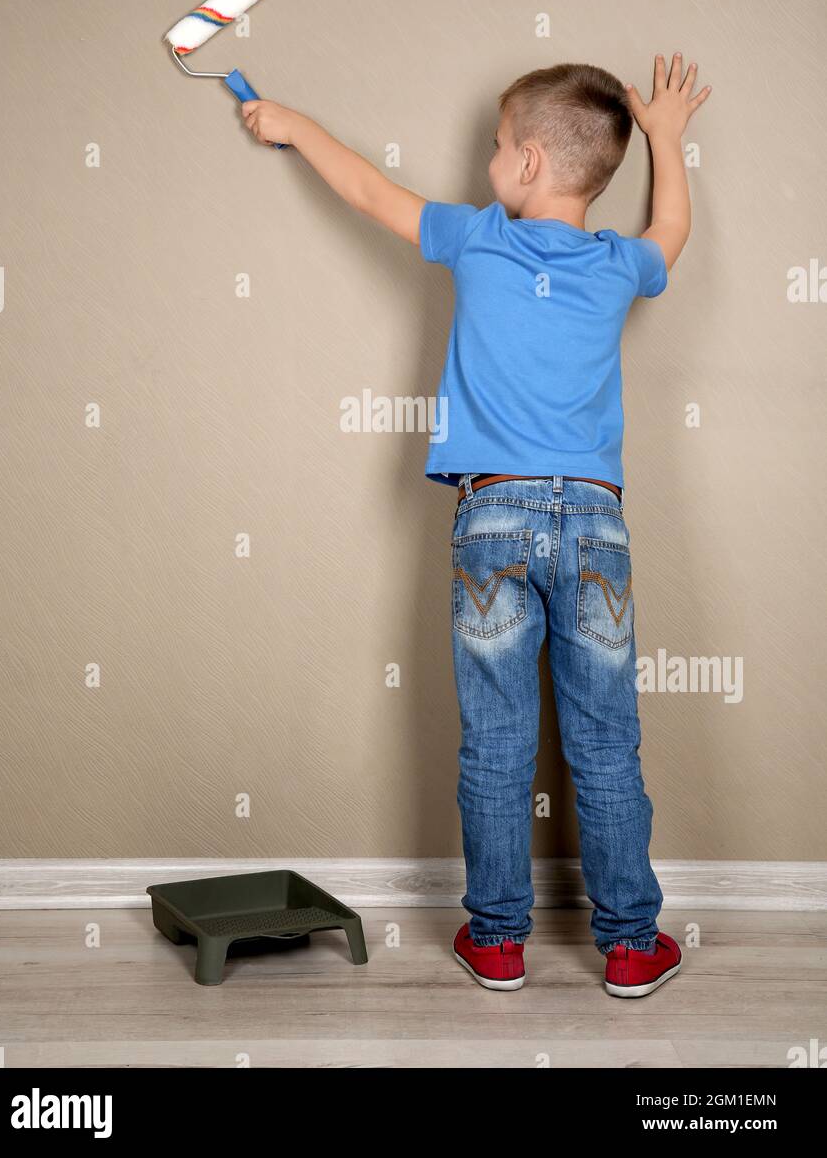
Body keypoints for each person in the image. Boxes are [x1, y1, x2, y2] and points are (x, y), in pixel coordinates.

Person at [241, 53, 711, 995]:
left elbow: (369, 190)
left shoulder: (479, 240)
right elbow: (670, 227)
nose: (488, 161)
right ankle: (630, 944)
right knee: (606, 743)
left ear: (529, 163)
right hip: (597, 523)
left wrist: (290, 124)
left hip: (492, 514)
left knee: (496, 743)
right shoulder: (618, 264)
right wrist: (664, 138)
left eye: (498, 147)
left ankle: (496, 940)